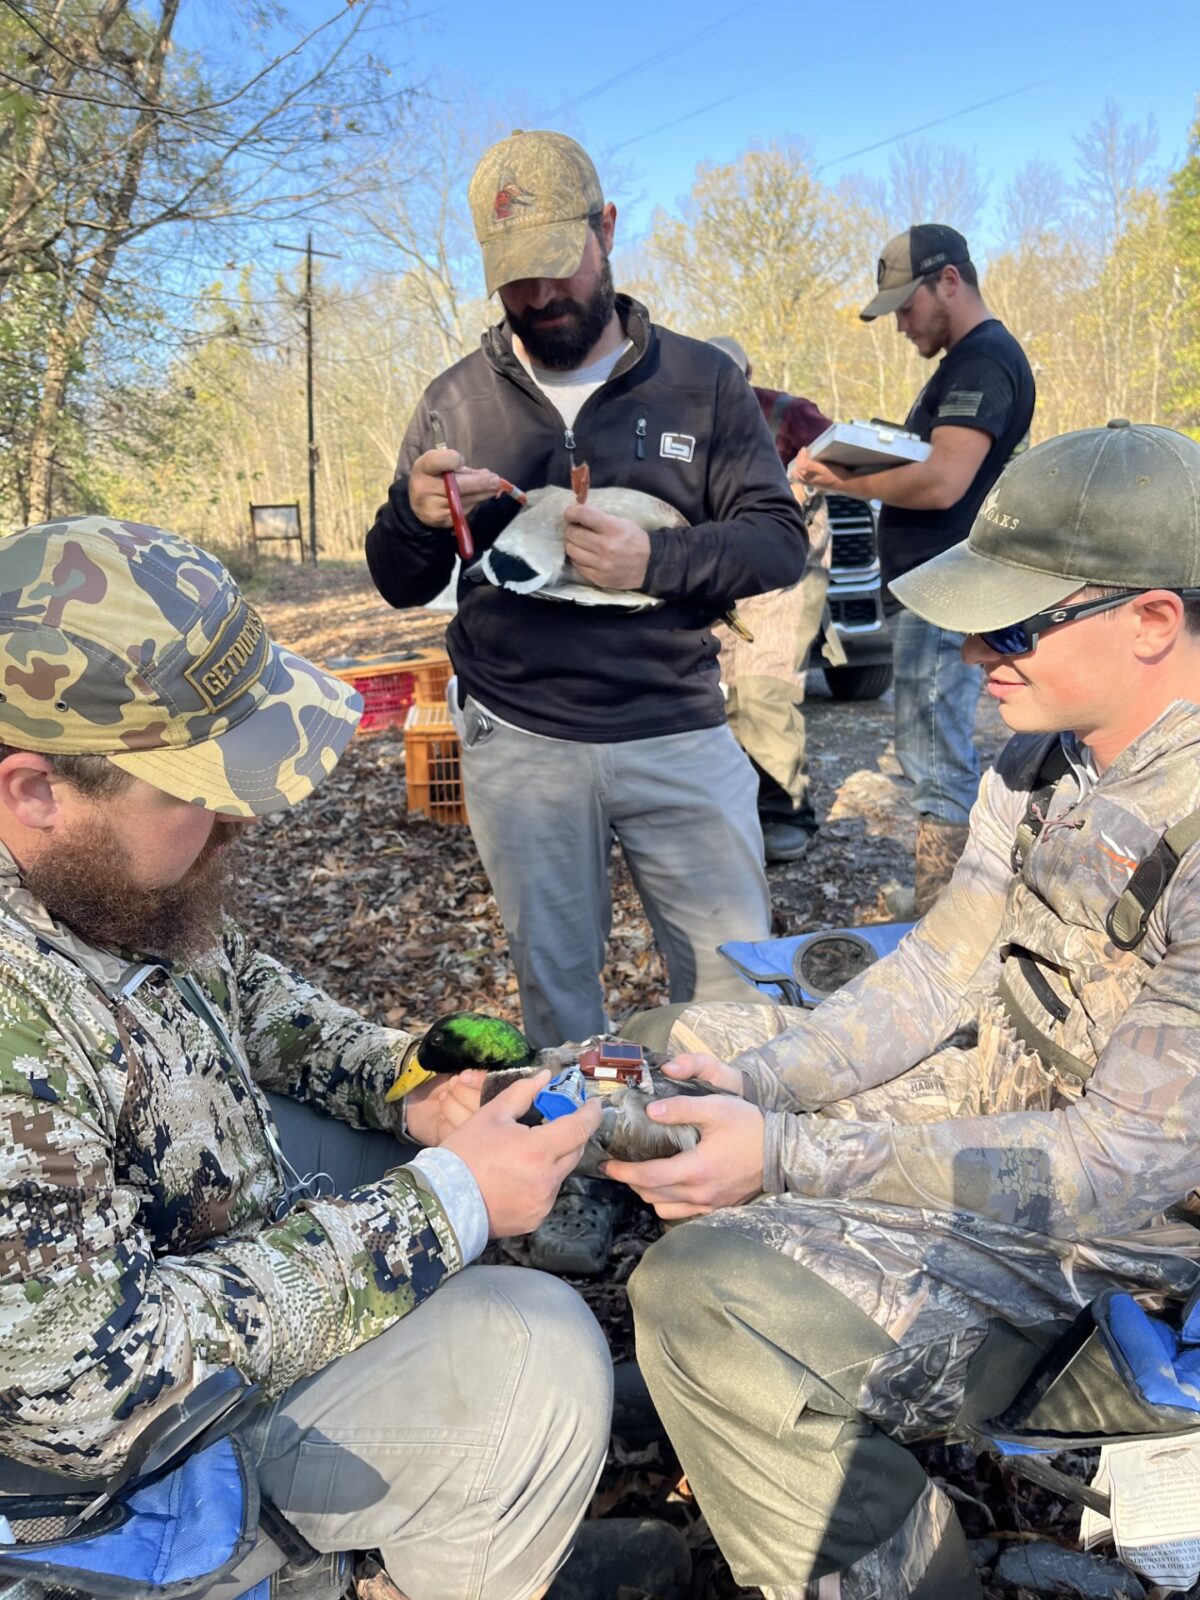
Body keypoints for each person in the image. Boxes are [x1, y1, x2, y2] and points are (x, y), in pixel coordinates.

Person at [612, 422, 1200, 1598]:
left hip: (1129, 1247)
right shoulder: (1043, 759)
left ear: (1152, 622)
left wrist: (789, 1155)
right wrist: (763, 1085)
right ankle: (734, 1390)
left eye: (1018, 622)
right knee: (669, 1051)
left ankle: (890, 1559)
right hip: (1012, 1102)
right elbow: (940, 972)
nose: (979, 646)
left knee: (703, 1299)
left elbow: (1115, 1165)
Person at [0, 514, 622, 1600]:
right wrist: (447, 1204)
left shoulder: (95, 874)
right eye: (198, 788)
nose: (239, 818)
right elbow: (85, 1390)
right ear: (36, 790)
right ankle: (412, 1541)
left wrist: (415, 1085)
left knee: (388, 1152)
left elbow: (256, 1005)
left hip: (179, 1252)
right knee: (540, 1354)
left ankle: (451, 1503)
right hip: (100, 1466)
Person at [366, 130, 807, 1049]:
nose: (539, 297)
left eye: (557, 267)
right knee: (557, 998)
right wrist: (412, 514)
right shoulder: (455, 401)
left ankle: (718, 1176)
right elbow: (400, 582)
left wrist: (655, 565)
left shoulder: (701, 382)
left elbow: (777, 543)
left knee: (736, 996)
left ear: (606, 229)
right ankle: (580, 1175)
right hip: (518, 742)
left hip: (678, 729)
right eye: (514, 278)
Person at [793, 224, 1035, 913]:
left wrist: (844, 478)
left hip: (946, 586)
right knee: (932, 748)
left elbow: (943, 484)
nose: (900, 323)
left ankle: (940, 918)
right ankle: (946, 901)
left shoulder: (982, 362)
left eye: (906, 305)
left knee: (934, 756)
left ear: (949, 281)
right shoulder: (968, 361)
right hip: (935, 584)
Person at [706, 336, 839, 863]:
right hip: (723, 565)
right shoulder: (681, 417)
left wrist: (805, 481)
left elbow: (851, 461)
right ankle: (734, 809)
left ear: (746, 375)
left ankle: (787, 813)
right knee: (715, 692)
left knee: (762, 689)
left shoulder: (789, 414)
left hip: (788, 566)